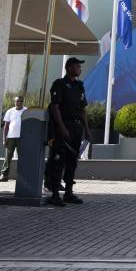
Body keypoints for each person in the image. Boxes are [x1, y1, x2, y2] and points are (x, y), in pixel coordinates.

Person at [46, 57, 89, 206]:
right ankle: (55, 194)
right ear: (69, 67)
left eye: (80, 67)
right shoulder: (59, 84)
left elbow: (83, 109)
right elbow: (55, 107)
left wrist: (87, 130)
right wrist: (62, 128)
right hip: (63, 127)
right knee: (58, 160)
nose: (79, 69)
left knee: (72, 161)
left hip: (77, 128)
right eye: (77, 66)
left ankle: (69, 193)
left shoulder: (79, 86)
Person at [0, 96, 25, 182]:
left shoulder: (26, 111)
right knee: (7, 157)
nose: (19, 103)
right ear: (14, 102)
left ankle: (22, 176)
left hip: (22, 138)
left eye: (21, 101)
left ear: (23, 102)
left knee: (23, 157)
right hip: (10, 137)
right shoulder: (10, 111)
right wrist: (4, 139)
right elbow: (6, 126)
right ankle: (4, 175)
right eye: (17, 101)